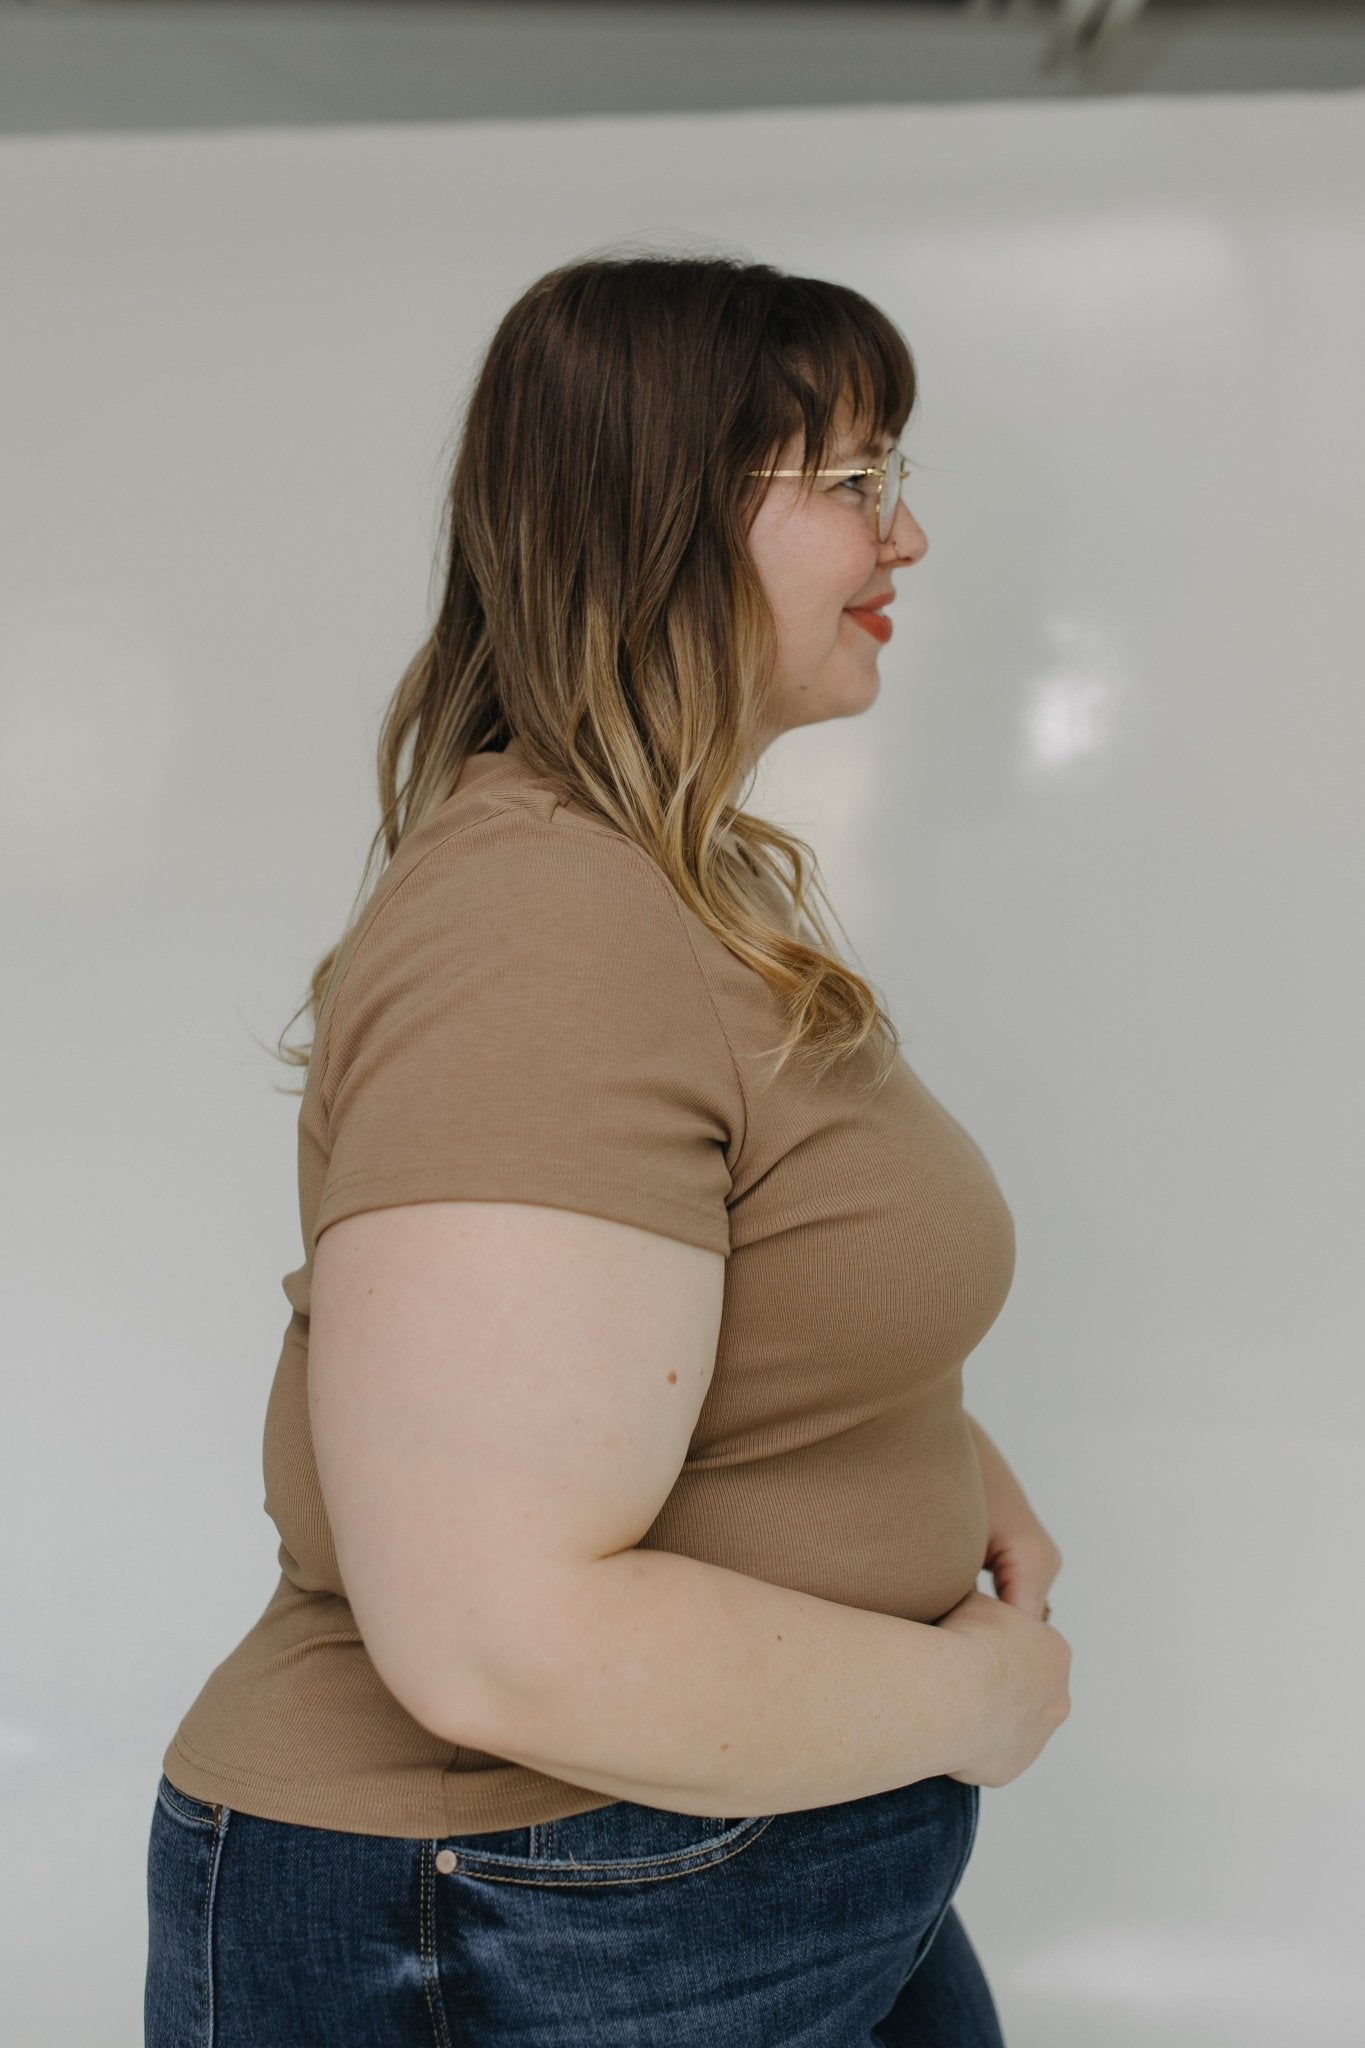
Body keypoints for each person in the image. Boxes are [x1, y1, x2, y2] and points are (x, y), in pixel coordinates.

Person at [144, 251, 1071, 2047]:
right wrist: (978, 1705)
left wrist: (920, 1441)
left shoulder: (669, 886)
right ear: (661, 513)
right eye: (852, 480)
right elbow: (497, 1635)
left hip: (727, 1869)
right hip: (531, 1913)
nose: (905, 535)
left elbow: (724, 1282)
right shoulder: (542, 928)